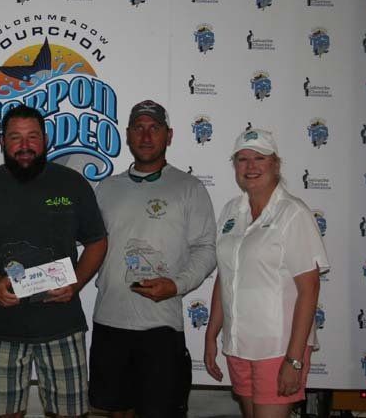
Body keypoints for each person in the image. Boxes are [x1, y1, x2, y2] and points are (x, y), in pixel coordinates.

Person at [0, 105, 108, 418]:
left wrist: (76, 281)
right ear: (2, 140)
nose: (24, 145)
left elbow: (97, 241)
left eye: (33, 136)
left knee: (70, 413)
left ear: (45, 139)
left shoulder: (72, 184)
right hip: (1, 324)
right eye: (15, 137)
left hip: (61, 323)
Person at [90, 100, 217, 418]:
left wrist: (175, 285)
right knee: (116, 411)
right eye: (138, 128)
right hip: (110, 321)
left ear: (169, 135)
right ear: (128, 135)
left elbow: (207, 248)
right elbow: (88, 245)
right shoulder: (106, 188)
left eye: (154, 128)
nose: (146, 136)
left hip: (160, 326)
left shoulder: (189, 188)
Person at [204, 129, 329, 418]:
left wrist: (294, 360)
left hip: (278, 349)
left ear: (276, 164)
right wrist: (212, 334)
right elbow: (226, 276)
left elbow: (309, 289)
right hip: (237, 346)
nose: (250, 166)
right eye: (242, 159)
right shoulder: (231, 212)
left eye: (259, 158)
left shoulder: (293, 213)